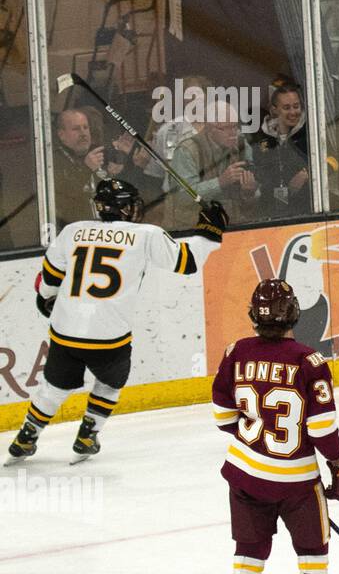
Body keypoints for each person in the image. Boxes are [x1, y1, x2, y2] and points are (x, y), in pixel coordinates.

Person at [6, 180, 225, 464]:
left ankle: (27, 434)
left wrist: (45, 298)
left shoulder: (72, 231)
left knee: (54, 386)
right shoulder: (147, 234)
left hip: (65, 330)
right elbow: (187, 262)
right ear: (125, 207)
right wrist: (209, 232)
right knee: (110, 382)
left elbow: (48, 282)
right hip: (109, 336)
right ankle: (88, 434)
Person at [210, 278, 339, 574]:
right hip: (296, 481)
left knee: (249, 552)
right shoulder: (310, 361)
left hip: (244, 474)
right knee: (312, 550)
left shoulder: (235, 352)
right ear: (293, 313)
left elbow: (223, 414)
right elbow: (321, 428)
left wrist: (253, 440)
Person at [170, 99, 260, 226]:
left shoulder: (242, 146)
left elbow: (256, 193)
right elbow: (181, 196)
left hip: (236, 224)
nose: (233, 133)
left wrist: (249, 192)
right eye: (226, 128)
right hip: (197, 227)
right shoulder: (187, 151)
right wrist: (220, 182)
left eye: (235, 126)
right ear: (209, 128)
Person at [252, 83, 311, 216]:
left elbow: (333, 160)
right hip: (270, 212)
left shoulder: (311, 132)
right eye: (286, 108)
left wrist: (308, 173)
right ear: (274, 110)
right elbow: (257, 171)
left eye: (296, 106)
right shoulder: (261, 138)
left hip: (306, 211)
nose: (293, 112)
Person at [52, 108, 106, 228]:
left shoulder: (98, 154)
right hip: (74, 232)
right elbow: (62, 200)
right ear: (62, 135)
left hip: (105, 231)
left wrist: (129, 163)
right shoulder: (53, 162)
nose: (83, 133)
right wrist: (86, 169)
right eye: (76, 129)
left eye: (85, 127)